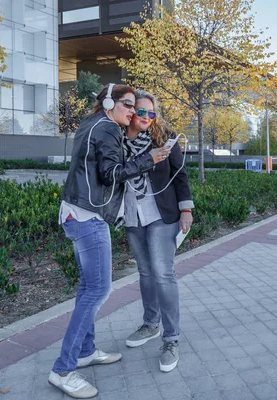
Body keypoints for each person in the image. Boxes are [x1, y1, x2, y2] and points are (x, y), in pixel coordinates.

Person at [48, 84, 170, 399]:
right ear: (108, 102)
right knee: (98, 290)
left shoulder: (92, 123)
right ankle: (63, 369)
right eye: (128, 105)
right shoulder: (108, 129)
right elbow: (111, 174)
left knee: (88, 288)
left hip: (75, 212)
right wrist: (149, 159)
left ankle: (86, 350)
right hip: (89, 216)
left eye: (135, 107)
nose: (132, 112)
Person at [122, 90, 194, 373]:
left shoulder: (165, 139)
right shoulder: (116, 139)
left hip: (162, 215)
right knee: (145, 272)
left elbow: (180, 175)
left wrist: (186, 209)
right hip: (132, 215)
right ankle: (150, 324)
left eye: (152, 114)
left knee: (164, 273)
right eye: (141, 112)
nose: (147, 118)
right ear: (130, 112)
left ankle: (171, 338)